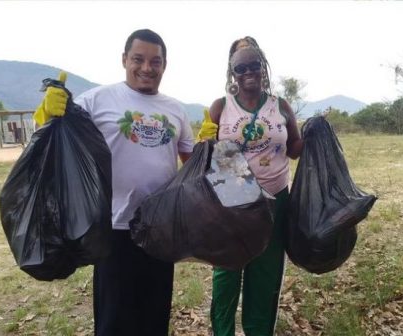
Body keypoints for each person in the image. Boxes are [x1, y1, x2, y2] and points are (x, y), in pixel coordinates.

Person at [33, 29, 194, 336]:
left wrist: (209, 147)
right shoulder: (97, 99)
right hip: (114, 227)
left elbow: (191, 163)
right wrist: (46, 114)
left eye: (155, 61)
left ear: (164, 65)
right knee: (114, 319)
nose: (147, 68)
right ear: (124, 60)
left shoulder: (175, 109)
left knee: (154, 315)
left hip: (161, 228)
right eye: (138, 59)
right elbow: (55, 133)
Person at [197, 36, 303, 336]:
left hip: (275, 198)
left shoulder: (279, 105)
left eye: (253, 64)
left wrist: (315, 137)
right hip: (233, 197)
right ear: (232, 71)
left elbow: (294, 147)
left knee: (265, 276)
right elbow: (206, 154)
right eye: (240, 67)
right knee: (227, 277)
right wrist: (204, 141)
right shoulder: (221, 107)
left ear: (263, 66)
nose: (248, 72)